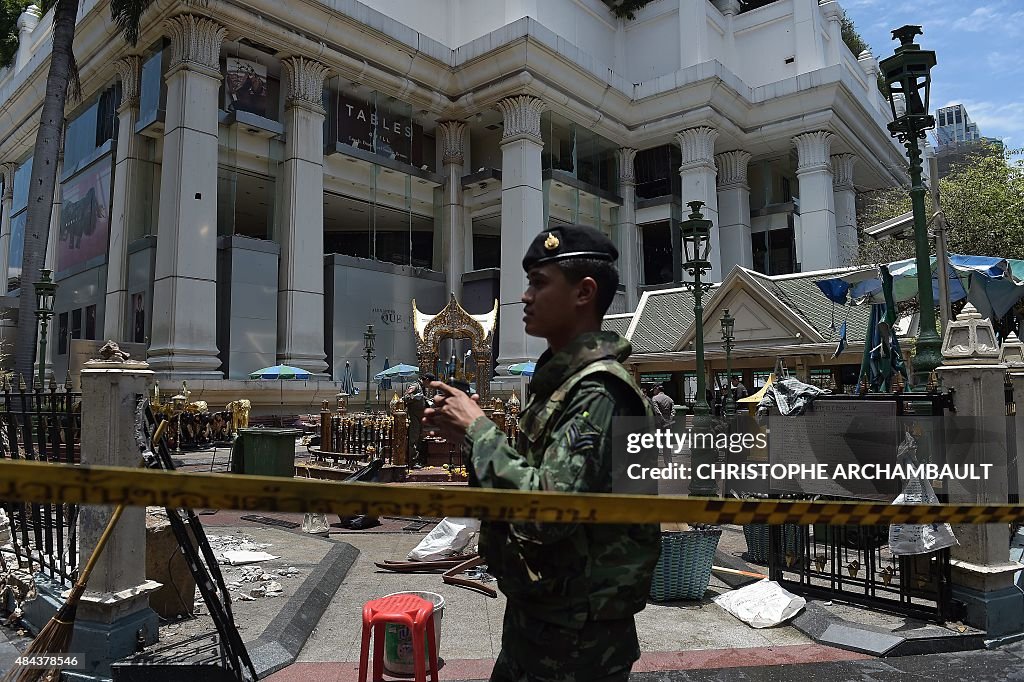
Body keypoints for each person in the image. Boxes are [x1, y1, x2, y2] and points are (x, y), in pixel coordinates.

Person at [423, 224, 661, 682]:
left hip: (576, 638)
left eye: (539, 282)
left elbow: (548, 509)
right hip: (544, 617)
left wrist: (477, 430)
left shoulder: (599, 392)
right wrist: (468, 438)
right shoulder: (562, 385)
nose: (525, 297)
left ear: (583, 293)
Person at [404, 374, 433, 468]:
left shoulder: (423, 387)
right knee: (413, 439)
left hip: (420, 418)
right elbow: (405, 397)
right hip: (413, 418)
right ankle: (412, 462)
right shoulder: (415, 386)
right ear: (427, 380)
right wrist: (414, 397)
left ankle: (418, 459)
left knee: (419, 439)